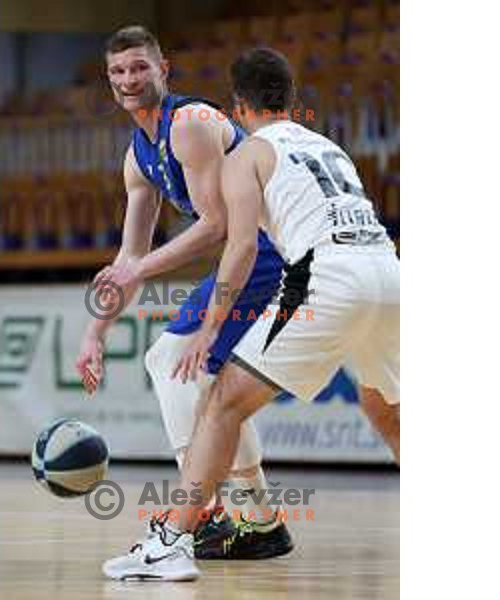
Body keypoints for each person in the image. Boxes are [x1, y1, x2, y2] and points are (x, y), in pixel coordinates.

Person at [103, 46, 400, 581]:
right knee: (390, 414)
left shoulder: (248, 154)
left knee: (221, 403)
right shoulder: (330, 146)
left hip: (327, 278)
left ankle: (171, 542)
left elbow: (238, 248)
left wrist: (210, 328)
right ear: (293, 98)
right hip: (390, 272)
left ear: (238, 108)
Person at [75, 27, 292, 561]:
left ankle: (212, 514)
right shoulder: (137, 157)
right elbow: (129, 260)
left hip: (272, 250)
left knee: (174, 358)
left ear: (164, 70)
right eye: (118, 72)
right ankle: (258, 521)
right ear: (109, 80)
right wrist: (94, 333)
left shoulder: (190, 125)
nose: (129, 79)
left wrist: (137, 269)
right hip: (248, 255)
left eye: (139, 68)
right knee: (190, 373)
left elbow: (217, 224)